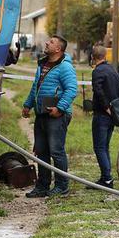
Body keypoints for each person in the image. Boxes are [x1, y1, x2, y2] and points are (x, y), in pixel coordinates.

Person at [21, 34, 79, 198]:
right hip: (42, 114)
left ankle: (62, 186)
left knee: (56, 151)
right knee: (41, 152)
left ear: (58, 49)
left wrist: (60, 109)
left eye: (51, 42)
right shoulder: (43, 64)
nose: (47, 43)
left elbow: (71, 90)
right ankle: (42, 186)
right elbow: (36, 87)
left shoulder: (65, 67)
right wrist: (28, 104)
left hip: (57, 116)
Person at [88, 43, 119, 189]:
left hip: (102, 115)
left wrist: (106, 107)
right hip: (112, 116)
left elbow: (98, 91)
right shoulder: (112, 70)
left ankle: (107, 179)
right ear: (105, 55)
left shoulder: (97, 71)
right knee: (105, 147)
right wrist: (117, 107)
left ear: (93, 57)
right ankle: (106, 177)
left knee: (99, 147)